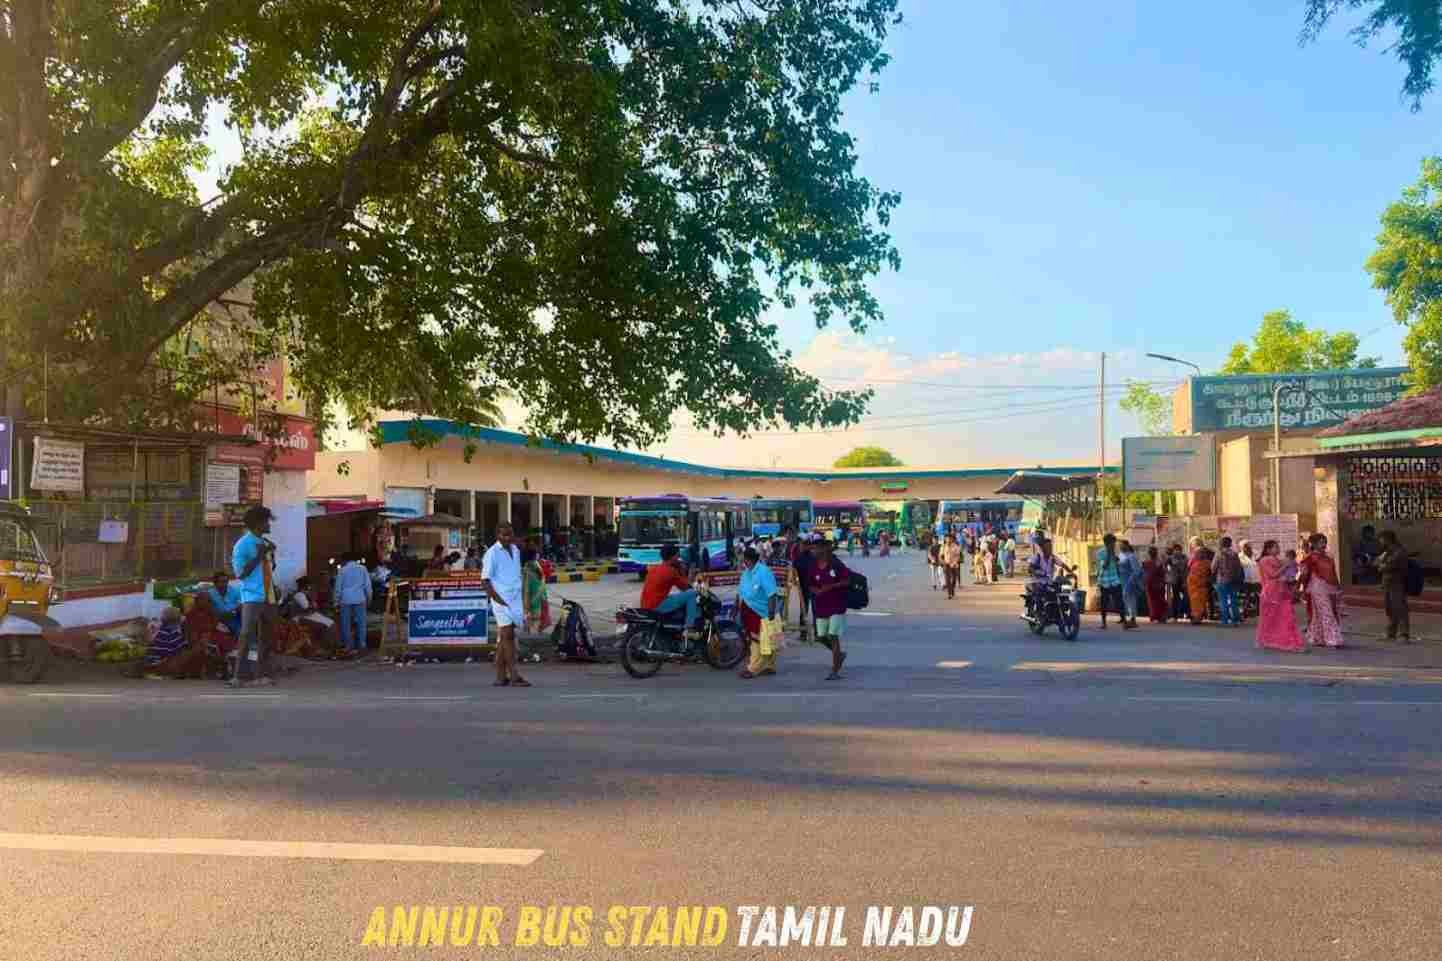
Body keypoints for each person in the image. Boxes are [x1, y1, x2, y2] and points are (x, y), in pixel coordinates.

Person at [230, 505, 277, 688]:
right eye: (266, 521)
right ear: (258, 523)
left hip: (269, 595)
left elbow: (269, 569)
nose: (269, 524)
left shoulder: (264, 543)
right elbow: (240, 574)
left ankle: (262, 674)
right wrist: (259, 556)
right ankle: (238, 677)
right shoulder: (243, 544)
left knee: (267, 637)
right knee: (246, 635)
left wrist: (271, 554)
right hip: (251, 596)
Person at [482, 523, 531, 687]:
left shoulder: (515, 550)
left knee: (505, 638)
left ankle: (500, 676)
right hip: (500, 599)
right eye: (503, 535)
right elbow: (485, 580)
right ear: (497, 535)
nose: (507, 538)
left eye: (510, 534)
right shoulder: (492, 553)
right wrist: (496, 598)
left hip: (515, 599)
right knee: (508, 635)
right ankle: (514, 676)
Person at [807, 537, 850, 680]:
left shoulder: (836, 564)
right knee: (820, 636)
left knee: (833, 636)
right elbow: (810, 584)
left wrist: (830, 587)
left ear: (824, 549)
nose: (813, 551)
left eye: (816, 548)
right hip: (821, 606)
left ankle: (835, 671)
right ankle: (839, 655)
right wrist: (816, 591)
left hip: (837, 605)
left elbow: (846, 581)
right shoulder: (812, 566)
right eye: (812, 548)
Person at [737, 546, 782, 679]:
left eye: (744, 560)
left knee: (757, 641)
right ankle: (769, 666)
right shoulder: (747, 572)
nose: (743, 563)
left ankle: (753, 668)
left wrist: (771, 612)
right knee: (766, 640)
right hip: (748, 610)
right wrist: (736, 605)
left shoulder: (764, 572)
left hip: (761, 611)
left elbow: (772, 594)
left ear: (750, 560)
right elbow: (741, 591)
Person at [641, 543, 702, 636]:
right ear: (672, 557)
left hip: (646, 604)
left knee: (677, 596)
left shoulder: (654, 568)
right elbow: (685, 587)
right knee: (692, 593)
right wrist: (682, 570)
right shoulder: (671, 571)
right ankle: (689, 628)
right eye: (677, 555)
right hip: (657, 605)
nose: (678, 558)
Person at [1255, 539, 1305, 652]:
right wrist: (1285, 566)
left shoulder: (1274, 560)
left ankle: (1285, 642)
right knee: (1281, 617)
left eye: (1278, 546)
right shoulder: (1265, 560)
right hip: (1272, 592)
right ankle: (1289, 643)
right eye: (1275, 547)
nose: (1278, 548)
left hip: (1278, 590)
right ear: (1268, 549)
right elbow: (1273, 575)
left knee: (1281, 617)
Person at [1299, 533, 1344, 649]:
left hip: (1330, 587)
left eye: (1325, 541)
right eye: (1321, 542)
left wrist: (1338, 587)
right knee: (1326, 612)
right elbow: (1303, 573)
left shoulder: (1329, 556)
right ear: (1314, 544)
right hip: (1317, 587)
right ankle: (1333, 639)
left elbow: (1333, 573)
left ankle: (1317, 638)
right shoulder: (1310, 557)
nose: (1324, 544)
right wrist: (1299, 587)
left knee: (1320, 614)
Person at [143, 605, 207, 679]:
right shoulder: (172, 633)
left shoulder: (160, 630)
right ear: (177, 621)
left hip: (153, 663)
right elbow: (183, 650)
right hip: (160, 665)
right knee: (196, 650)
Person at [333, 551, 372, 656]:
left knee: (346, 624)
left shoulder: (342, 570)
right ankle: (362, 645)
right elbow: (368, 586)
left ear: (345, 560)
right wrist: (369, 599)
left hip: (345, 600)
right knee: (361, 623)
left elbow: (338, 588)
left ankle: (348, 646)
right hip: (360, 599)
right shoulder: (363, 569)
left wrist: (336, 602)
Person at [1378, 530, 1411, 643]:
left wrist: (1382, 565)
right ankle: (1391, 633)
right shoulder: (1388, 552)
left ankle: (1404, 634)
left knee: (1400, 608)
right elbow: (1377, 563)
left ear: (1387, 539)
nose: (1380, 542)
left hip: (1397, 584)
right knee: (1390, 609)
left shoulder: (1399, 551)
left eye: (1381, 539)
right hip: (1387, 583)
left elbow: (1386, 566)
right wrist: (1381, 564)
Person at [522, 535, 551, 634]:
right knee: (536, 616)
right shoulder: (537, 566)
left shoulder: (527, 568)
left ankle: (531, 630)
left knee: (531, 617)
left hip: (530, 597)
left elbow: (525, 586)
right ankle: (536, 630)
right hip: (539, 596)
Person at [1094, 533, 1123, 629]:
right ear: (1107, 543)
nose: (1114, 545)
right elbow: (1104, 566)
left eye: (1114, 543)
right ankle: (1103, 622)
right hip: (1105, 581)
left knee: (1119, 601)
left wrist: (1115, 557)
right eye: (1112, 543)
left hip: (1115, 580)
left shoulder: (1115, 551)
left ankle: (1125, 621)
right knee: (1104, 602)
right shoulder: (1100, 553)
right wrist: (1109, 554)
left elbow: (1116, 563)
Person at [1212, 537, 1242, 627]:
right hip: (1233, 580)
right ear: (1230, 544)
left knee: (1223, 600)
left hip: (1221, 580)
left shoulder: (1218, 554)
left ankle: (1225, 620)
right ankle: (1235, 620)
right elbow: (1239, 567)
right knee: (1233, 600)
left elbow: (1213, 567)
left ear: (1221, 543)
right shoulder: (1234, 554)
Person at [205, 572, 242, 637]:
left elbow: (241, 604)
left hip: (234, 616)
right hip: (219, 618)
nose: (225, 584)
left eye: (226, 581)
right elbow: (210, 610)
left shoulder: (234, 590)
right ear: (215, 583)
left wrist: (235, 611)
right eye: (222, 582)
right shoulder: (210, 594)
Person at [791, 536, 815, 633]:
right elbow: (794, 573)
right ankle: (806, 631)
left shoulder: (801, 558)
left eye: (803, 545)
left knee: (806, 609)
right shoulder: (811, 558)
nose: (802, 547)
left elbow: (794, 573)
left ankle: (804, 632)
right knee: (806, 609)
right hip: (806, 587)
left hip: (807, 587)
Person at [1117, 539, 1141, 630]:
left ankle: (1133, 619)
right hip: (1122, 580)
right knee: (1125, 599)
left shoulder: (1131, 556)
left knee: (1131, 599)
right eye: (1119, 545)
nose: (1120, 547)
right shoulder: (1121, 555)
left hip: (1130, 580)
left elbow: (1137, 571)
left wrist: (1131, 581)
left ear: (1127, 546)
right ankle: (1127, 619)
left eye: (1122, 545)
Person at [1187, 546, 1214, 625]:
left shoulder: (1208, 563)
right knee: (1194, 603)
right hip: (1192, 586)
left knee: (1199, 603)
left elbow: (1211, 573)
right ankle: (1196, 617)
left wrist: (1208, 581)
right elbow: (1188, 570)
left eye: (1201, 553)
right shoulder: (1193, 561)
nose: (1199, 555)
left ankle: (1197, 618)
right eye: (1198, 553)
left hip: (1201, 586)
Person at [1142, 546, 1168, 623]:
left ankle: (1158, 616)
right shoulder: (1149, 562)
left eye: (1152, 552)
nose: (1152, 553)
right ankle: (1157, 616)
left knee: (1156, 601)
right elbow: (1162, 572)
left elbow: (1162, 572)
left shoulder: (1148, 562)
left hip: (1155, 583)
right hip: (1154, 584)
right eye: (1151, 552)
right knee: (1156, 600)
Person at [1239, 540, 1261, 621]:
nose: (1248, 547)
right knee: (1246, 596)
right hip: (1246, 579)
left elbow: (1260, 563)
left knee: (1259, 596)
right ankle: (1245, 612)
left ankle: (1259, 612)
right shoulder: (1239, 556)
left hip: (1257, 578)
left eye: (1248, 545)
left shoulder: (1256, 553)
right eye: (1245, 546)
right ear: (1241, 548)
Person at [1166, 544, 1188, 622]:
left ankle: (1184, 612)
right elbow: (1164, 565)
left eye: (1179, 549)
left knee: (1186, 597)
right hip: (1175, 580)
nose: (1177, 551)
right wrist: (1168, 574)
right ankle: (1175, 616)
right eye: (1176, 549)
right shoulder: (1170, 558)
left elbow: (1186, 569)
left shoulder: (1185, 557)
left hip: (1183, 580)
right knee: (1175, 598)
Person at [941, 532, 963, 599]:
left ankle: (952, 589)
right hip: (946, 564)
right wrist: (943, 562)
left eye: (949, 539)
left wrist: (955, 562)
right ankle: (949, 593)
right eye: (946, 539)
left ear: (952, 539)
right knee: (947, 579)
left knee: (954, 579)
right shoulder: (943, 546)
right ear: (945, 539)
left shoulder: (955, 546)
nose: (948, 540)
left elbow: (958, 556)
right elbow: (941, 555)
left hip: (954, 564)